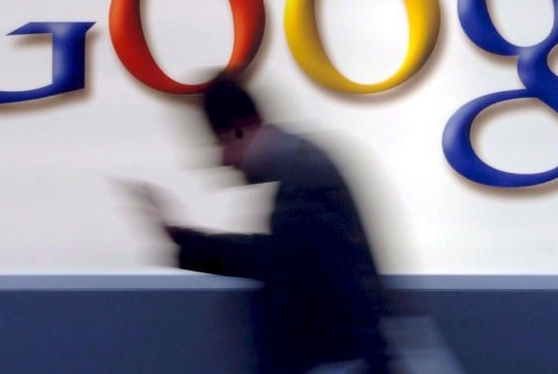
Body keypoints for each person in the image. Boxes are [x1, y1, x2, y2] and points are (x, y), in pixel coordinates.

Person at [129, 75, 390, 374]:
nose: (223, 160)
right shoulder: (306, 172)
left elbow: (277, 261)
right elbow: (280, 256)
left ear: (240, 130)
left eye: (220, 144)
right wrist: (186, 241)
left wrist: (187, 243)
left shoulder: (304, 184)